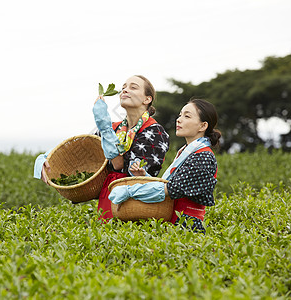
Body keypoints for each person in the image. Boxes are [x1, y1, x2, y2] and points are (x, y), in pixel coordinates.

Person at [34, 75, 170, 221]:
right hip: (109, 195)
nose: (125, 90)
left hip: (135, 203)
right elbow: (81, 149)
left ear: (147, 99)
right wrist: (47, 158)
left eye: (133, 87)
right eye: (123, 87)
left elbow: (121, 166)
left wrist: (104, 127)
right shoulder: (114, 128)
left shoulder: (154, 131)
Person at [109, 98, 221, 233]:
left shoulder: (203, 156)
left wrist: (131, 191)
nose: (179, 119)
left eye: (187, 116)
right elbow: (173, 185)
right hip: (175, 224)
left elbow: (172, 189)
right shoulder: (187, 152)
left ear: (203, 126)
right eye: (180, 115)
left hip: (188, 228)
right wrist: (145, 177)